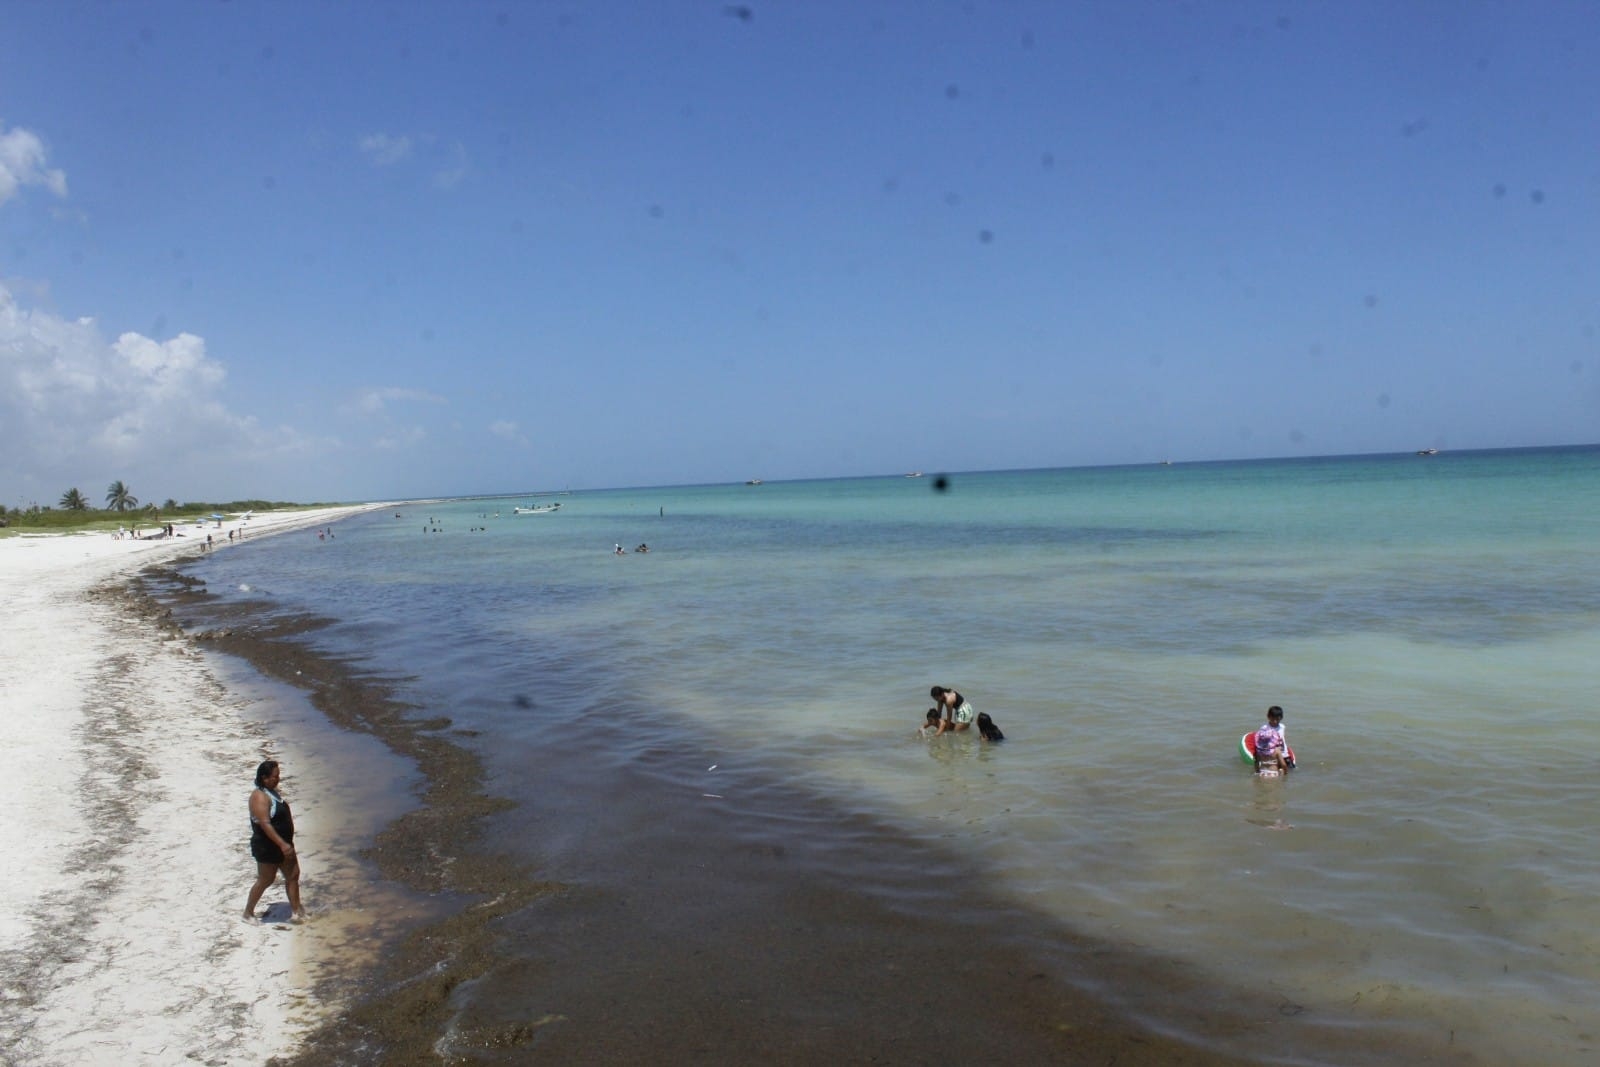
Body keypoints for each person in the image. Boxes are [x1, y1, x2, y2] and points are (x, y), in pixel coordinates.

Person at [243, 759, 306, 922]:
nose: (278, 779)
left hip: (284, 845)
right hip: (268, 846)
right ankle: (248, 912)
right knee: (266, 879)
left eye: (278, 776)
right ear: (264, 778)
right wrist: (282, 844)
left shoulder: (272, 793)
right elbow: (265, 824)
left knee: (293, 875)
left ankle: (296, 911)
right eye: (275, 777)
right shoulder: (259, 797)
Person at [1252, 706, 1292, 776]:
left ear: (1281, 718)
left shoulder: (1282, 727)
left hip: (1283, 753)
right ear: (1268, 717)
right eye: (1273, 719)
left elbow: (1282, 738)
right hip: (1271, 753)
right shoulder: (1264, 728)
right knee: (1276, 768)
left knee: (1292, 769)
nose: (1275, 721)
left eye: (1277, 719)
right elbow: (1261, 740)